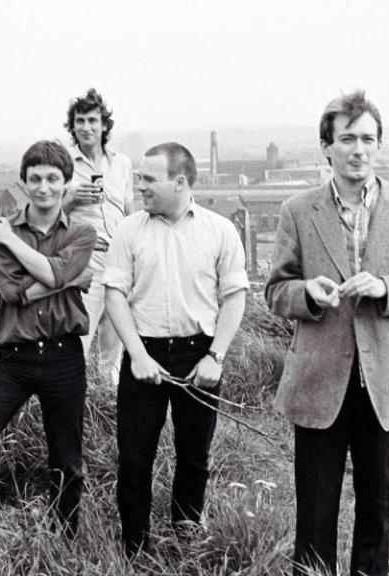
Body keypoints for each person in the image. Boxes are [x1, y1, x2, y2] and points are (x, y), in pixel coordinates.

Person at [265, 91, 389, 576]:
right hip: (318, 382)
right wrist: (307, 292)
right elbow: (275, 291)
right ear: (326, 147)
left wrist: (386, 287)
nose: (358, 150)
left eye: (368, 138)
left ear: (380, 145)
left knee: (377, 514)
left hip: (383, 383)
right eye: (347, 138)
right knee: (315, 517)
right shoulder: (297, 211)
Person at [103, 142, 249, 557]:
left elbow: (234, 297)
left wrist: (215, 357)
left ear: (180, 182)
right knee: (133, 459)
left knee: (194, 456)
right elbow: (115, 294)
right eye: (140, 178)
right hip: (143, 355)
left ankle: (185, 542)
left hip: (199, 356)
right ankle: (135, 549)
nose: (140, 186)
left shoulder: (220, 231)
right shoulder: (129, 230)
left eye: (149, 179)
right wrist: (138, 356)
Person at [0, 140, 97, 539]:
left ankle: (62, 539)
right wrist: (67, 276)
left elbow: (43, 280)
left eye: (53, 179)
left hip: (65, 355)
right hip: (14, 358)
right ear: (24, 182)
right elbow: (15, 293)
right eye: (35, 179)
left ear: (67, 184)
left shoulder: (82, 231)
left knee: (67, 461)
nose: (44, 187)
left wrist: (17, 247)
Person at [64, 88, 134, 388]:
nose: (86, 127)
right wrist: (72, 197)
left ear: (104, 125)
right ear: (72, 127)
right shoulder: (64, 164)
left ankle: (107, 408)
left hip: (118, 261)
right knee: (78, 338)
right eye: (79, 121)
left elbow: (131, 212)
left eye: (93, 120)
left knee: (114, 342)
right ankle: (71, 403)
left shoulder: (122, 163)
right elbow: (49, 214)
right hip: (85, 262)